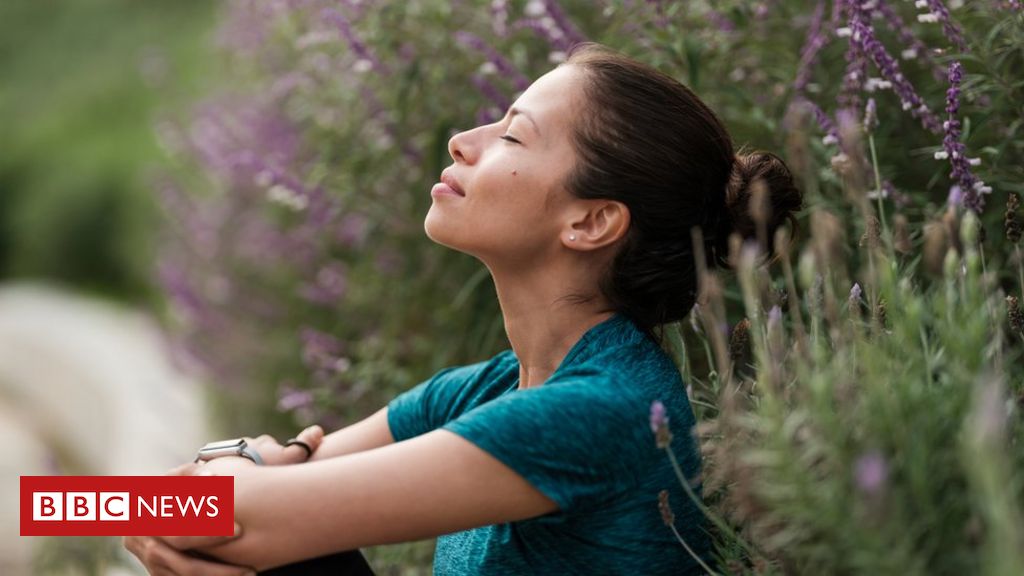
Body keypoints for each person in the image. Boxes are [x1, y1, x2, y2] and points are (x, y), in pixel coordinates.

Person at [124, 41, 802, 575]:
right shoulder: (490, 387)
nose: (463, 140)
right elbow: (218, 509)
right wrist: (148, 504)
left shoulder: (602, 410)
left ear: (592, 222)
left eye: (511, 136)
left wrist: (222, 478)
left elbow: (226, 512)